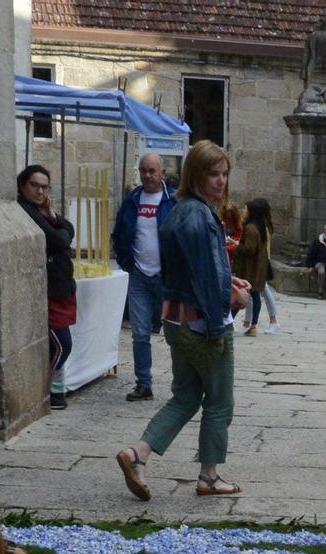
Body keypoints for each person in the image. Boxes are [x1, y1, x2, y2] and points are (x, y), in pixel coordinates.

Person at [116, 139, 250, 501]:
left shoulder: (179, 209)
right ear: (196, 174)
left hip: (177, 321)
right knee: (220, 401)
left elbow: (196, 269)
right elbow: (205, 277)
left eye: (224, 174)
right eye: (213, 174)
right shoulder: (197, 216)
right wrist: (230, 301)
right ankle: (209, 476)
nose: (221, 181)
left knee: (187, 396)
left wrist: (228, 281)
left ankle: (137, 454)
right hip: (202, 324)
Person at [110, 152, 174, 403]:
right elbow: (120, 233)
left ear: (162, 174)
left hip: (168, 278)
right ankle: (144, 384)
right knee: (139, 333)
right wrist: (127, 262)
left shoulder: (173, 201)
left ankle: (183, 385)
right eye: (143, 170)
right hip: (139, 276)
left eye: (152, 171)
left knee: (176, 333)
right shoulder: (132, 201)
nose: (147, 175)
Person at [17, 165, 77, 410]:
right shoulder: (25, 211)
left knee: (57, 344)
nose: (40, 191)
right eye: (35, 185)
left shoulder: (42, 212)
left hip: (61, 288)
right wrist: (57, 226)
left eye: (45, 186)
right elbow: (61, 239)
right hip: (49, 292)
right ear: (22, 186)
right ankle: (44, 387)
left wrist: (53, 217)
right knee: (63, 344)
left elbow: (69, 229)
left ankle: (56, 393)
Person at [236, 198, 274, 336]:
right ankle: (251, 325)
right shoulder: (259, 226)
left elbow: (250, 249)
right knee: (254, 294)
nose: (243, 211)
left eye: (246, 209)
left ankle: (238, 323)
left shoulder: (251, 228)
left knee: (242, 293)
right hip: (257, 267)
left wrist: (236, 246)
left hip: (250, 268)